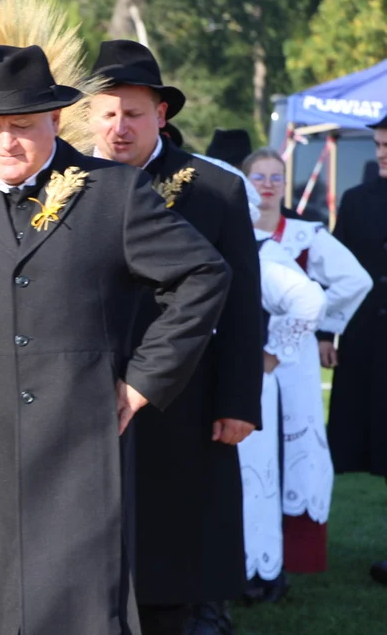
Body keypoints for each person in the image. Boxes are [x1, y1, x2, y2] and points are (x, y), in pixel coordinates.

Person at [0, 44, 233, 635]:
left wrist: (140, 385)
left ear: (55, 121)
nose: (5, 142)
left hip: (82, 449)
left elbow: (204, 274)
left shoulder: (113, 193)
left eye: (22, 127)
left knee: (82, 612)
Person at [88, 39, 263, 635]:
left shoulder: (215, 190)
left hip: (187, 396)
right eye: (107, 113)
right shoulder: (63, 184)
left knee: (174, 541)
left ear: (162, 114)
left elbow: (242, 305)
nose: (118, 128)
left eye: (132, 114)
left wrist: (238, 401)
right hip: (89, 390)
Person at [243, 148, 371, 578]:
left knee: (296, 443)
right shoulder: (231, 231)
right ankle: (247, 556)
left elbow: (355, 279)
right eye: (258, 176)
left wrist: (318, 326)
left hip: (290, 357)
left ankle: (295, 556)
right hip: (246, 358)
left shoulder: (303, 234)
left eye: (276, 177)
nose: (267, 185)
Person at [238, 236, 325, 605]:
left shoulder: (260, 254)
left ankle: (260, 572)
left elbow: (309, 300)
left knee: (257, 481)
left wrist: (273, 353)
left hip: (248, 384)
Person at [323, 113, 387, 585]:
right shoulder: (357, 200)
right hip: (367, 343)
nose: (381, 154)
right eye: (379, 146)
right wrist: (326, 334)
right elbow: (334, 269)